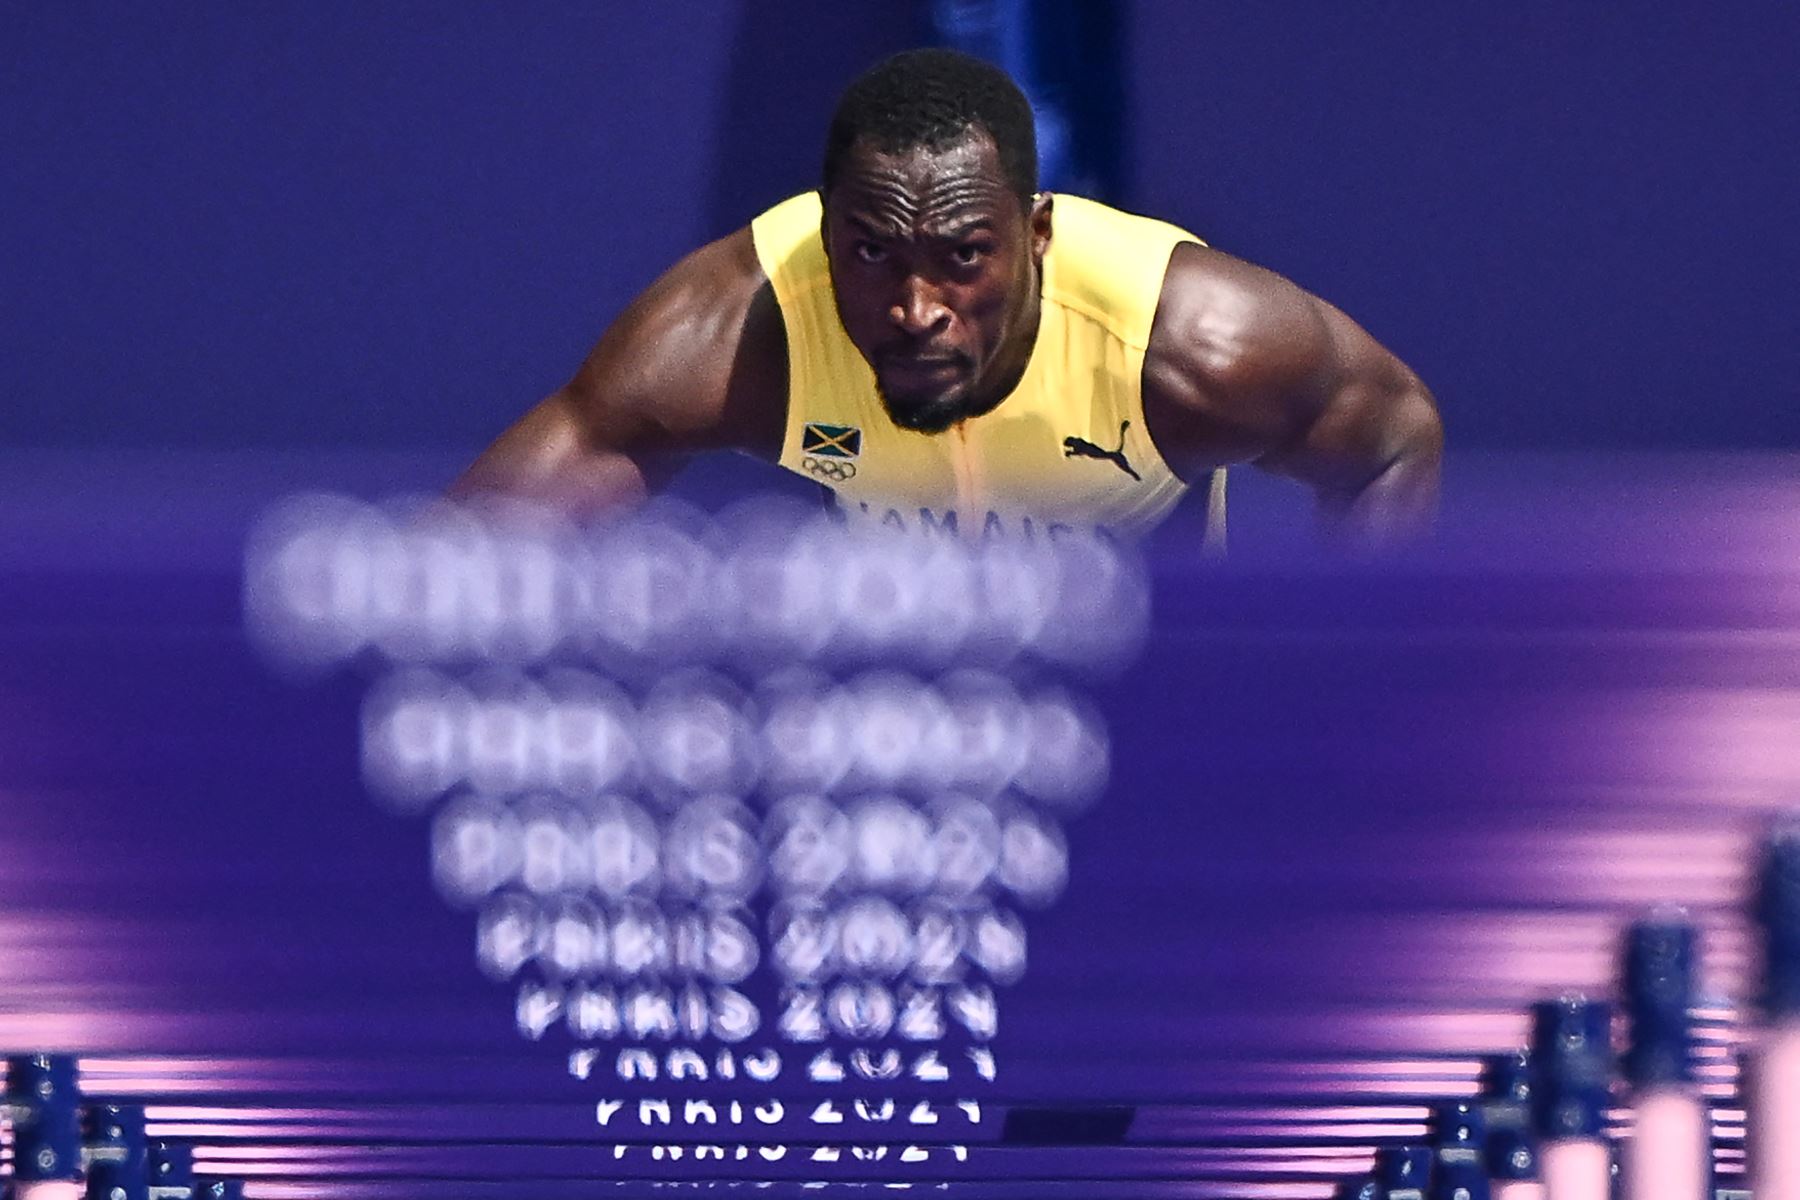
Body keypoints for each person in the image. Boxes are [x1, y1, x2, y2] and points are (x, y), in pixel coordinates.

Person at [455, 48, 1442, 551]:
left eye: (964, 256)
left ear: (1038, 237)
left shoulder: (1185, 345)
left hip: (1147, 696)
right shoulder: (742, 331)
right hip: (911, 722)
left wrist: (1344, 739)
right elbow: (452, 569)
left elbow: (1394, 437)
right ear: (823, 230)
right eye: (873, 252)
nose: (918, 306)